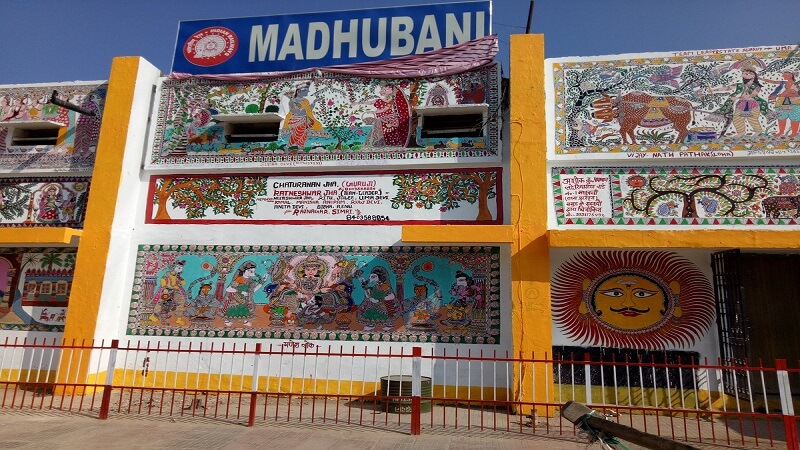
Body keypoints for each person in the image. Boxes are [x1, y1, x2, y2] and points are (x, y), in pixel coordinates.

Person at [711, 61, 768, 137]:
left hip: (752, 105)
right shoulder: (740, 85)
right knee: (737, 119)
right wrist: (714, 90)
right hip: (741, 105)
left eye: (747, 74)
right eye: (743, 73)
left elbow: (750, 96)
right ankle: (741, 132)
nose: (744, 75)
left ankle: (758, 131)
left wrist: (737, 98)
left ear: (753, 76)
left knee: (752, 119)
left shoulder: (756, 86)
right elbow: (727, 88)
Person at [281, 82, 327, 150]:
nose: (308, 92)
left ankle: (300, 148)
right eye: (306, 91)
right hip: (296, 120)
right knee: (297, 134)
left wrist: (314, 102)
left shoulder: (305, 101)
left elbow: (309, 109)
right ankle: (288, 146)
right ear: (299, 92)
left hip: (305, 119)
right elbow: (293, 111)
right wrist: (298, 108)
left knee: (304, 134)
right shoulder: (292, 101)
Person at [222, 261, 263, 327]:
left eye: (253, 271)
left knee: (245, 309)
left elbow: (252, 291)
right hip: (236, 298)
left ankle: (245, 321)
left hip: (244, 299)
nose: (252, 273)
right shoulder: (239, 279)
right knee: (233, 310)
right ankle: (227, 320)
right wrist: (241, 292)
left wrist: (262, 283)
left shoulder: (250, 280)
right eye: (250, 271)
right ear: (245, 270)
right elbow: (229, 289)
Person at [357, 266, 398, 331]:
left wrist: (378, 300)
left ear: (380, 277)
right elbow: (368, 295)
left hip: (383, 305)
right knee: (367, 311)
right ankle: (371, 325)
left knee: (372, 312)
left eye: (373, 277)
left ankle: (388, 324)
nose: (371, 278)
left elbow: (392, 296)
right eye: (371, 277)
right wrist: (364, 283)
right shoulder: (375, 286)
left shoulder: (384, 286)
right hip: (374, 304)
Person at [765, 71, 800, 137]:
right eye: (783, 74)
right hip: (782, 103)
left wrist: (795, 97)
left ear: (791, 75)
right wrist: (761, 79)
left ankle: (794, 133)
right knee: (781, 117)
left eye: (785, 74)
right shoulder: (783, 83)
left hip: (794, 103)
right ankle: (781, 132)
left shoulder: (796, 85)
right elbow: (773, 82)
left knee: (795, 118)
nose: (783, 75)